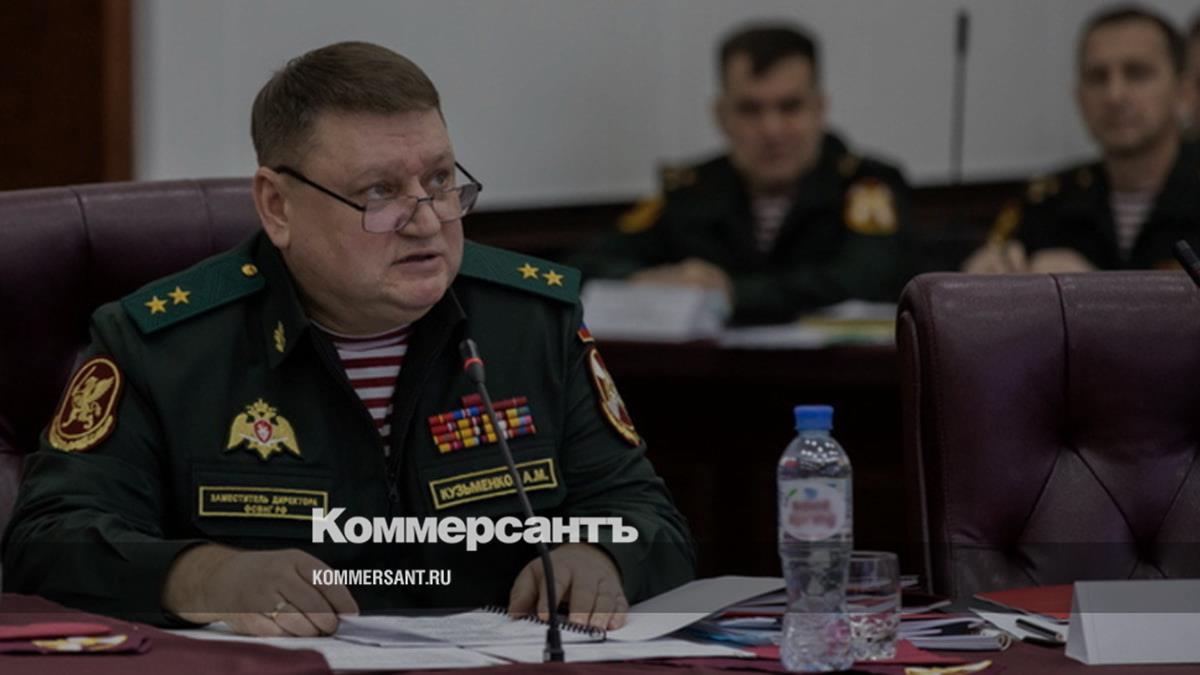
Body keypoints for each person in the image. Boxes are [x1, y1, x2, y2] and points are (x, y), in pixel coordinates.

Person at [1, 41, 694, 637]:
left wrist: (601, 555)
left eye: (440, 180)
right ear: (277, 205)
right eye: (379, 193)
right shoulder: (163, 344)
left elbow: (646, 515)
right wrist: (205, 576)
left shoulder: (532, 320)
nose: (427, 221)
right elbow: (46, 541)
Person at [572, 24, 911, 325]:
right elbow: (584, 266)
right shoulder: (692, 190)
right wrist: (647, 280)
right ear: (721, 116)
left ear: (819, 109)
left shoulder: (867, 185)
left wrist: (731, 292)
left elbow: (865, 279)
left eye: (790, 107)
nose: (772, 130)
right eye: (750, 109)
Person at [964, 6, 1200, 274]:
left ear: (1183, 92)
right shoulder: (1048, 203)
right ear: (1079, 97)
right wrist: (985, 282)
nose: (1114, 95)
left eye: (1137, 73)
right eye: (1097, 77)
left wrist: (1093, 290)